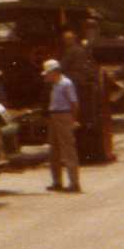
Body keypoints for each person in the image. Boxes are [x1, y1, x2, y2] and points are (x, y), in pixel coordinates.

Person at [42, 58, 82, 193]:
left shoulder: (66, 84)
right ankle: (57, 182)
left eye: (48, 73)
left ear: (55, 72)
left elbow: (74, 103)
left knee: (68, 149)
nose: (46, 76)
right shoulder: (54, 85)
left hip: (63, 115)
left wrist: (73, 119)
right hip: (54, 116)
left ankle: (74, 183)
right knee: (54, 151)